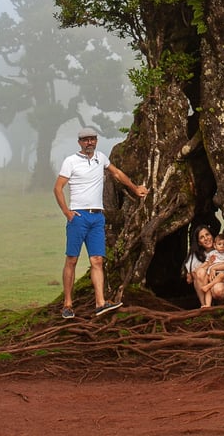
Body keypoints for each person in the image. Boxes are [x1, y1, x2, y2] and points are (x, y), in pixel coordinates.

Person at [53, 127, 149, 319]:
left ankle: (100, 303)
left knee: (97, 260)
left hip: (97, 216)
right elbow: (58, 188)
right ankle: (68, 304)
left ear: (96, 141)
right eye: (85, 140)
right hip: (78, 216)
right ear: (80, 142)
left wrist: (135, 187)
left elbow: (117, 174)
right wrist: (67, 212)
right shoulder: (71, 161)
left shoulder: (101, 158)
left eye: (92, 139)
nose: (89, 143)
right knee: (72, 259)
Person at [183, 225, 224, 308]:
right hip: (206, 288)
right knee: (200, 272)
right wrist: (208, 264)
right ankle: (205, 306)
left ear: (212, 235)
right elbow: (193, 277)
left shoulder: (222, 245)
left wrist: (215, 267)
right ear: (199, 242)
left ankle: (223, 305)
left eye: (207, 234)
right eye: (202, 237)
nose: (206, 238)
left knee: (218, 289)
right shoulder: (196, 256)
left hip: (222, 285)